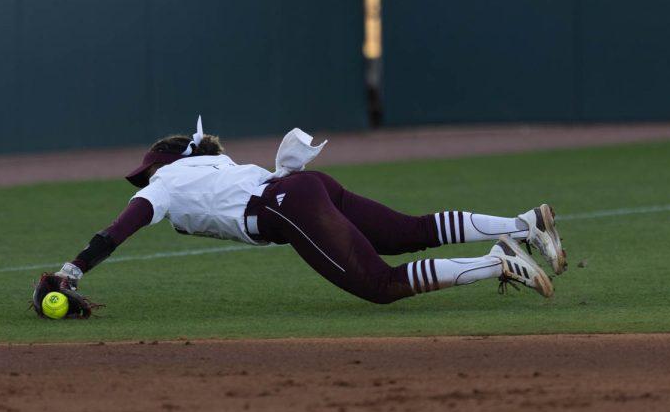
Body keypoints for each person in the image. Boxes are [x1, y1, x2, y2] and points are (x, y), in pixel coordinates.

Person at [51, 117, 565, 307]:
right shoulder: (217, 163)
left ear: (158, 165)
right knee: (408, 231)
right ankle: (523, 224)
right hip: (306, 186)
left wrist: (72, 269)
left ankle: (499, 261)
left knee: (380, 286)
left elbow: (119, 229)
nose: (144, 179)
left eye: (146, 171)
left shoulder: (162, 184)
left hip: (286, 205)